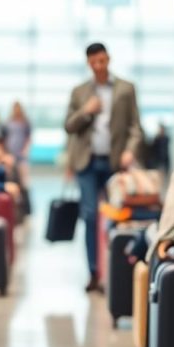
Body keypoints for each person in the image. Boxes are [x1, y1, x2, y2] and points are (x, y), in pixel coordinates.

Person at [63, 42, 143, 293]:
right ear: (89, 63)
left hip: (114, 162)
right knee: (89, 216)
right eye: (94, 62)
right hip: (86, 162)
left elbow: (135, 127)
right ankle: (94, 272)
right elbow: (68, 125)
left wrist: (130, 150)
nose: (99, 66)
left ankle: (115, 270)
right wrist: (86, 111)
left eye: (103, 60)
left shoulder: (125, 89)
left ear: (108, 59)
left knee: (116, 216)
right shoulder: (79, 92)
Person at [4, 101, 32, 186]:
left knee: (23, 177)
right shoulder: (9, 121)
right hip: (10, 151)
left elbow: (28, 138)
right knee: (10, 175)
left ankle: (25, 195)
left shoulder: (25, 121)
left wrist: (25, 150)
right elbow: (5, 137)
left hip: (21, 152)